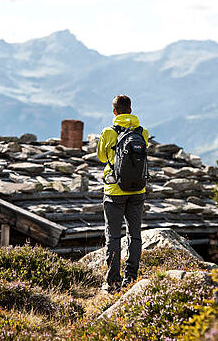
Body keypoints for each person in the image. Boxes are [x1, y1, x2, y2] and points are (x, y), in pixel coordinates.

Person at [97, 95, 149, 293]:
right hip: (138, 190)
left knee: (113, 235)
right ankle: (131, 277)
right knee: (134, 234)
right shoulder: (142, 132)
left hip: (114, 192)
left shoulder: (109, 132)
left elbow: (102, 157)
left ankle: (113, 281)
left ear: (114, 111)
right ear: (131, 109)